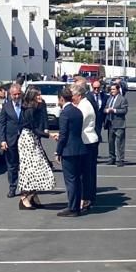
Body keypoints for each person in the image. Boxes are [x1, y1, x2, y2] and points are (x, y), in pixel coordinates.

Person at [16, 87, 55, 210]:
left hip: (32, 139)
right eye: (38, 95)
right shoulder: (29, 110)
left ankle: (33, 196)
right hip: (27, 140)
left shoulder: (36, 107)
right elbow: (34, 129)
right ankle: (24, 198)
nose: (40, 97)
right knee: (32, 170)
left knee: (38, 168)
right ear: (33, 97)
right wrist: (49, 135)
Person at [55, 87, 86, 218]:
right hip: (79, 148)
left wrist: (58, 152)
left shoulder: (65, 113)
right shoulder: (77, 111)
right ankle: (77, 205)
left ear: (62, 99)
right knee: (77, 180)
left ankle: (73, 207)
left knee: (71, 180)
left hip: (69, 150)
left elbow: (63, 135)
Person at [71, 83, 100, 213]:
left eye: (72, 96)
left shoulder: (84, 106)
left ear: (79, 95)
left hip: (87, 141)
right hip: (88, 140)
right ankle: (88, 197)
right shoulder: (83, 104)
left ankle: (87, 198)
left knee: (85, 173)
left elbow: (78, 123)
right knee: (86, 172)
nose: (71, 99)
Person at [0, 84, 24, 199]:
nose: (17, 96)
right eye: (15, 94)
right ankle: (12, 187)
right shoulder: (6, 107)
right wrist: (3, 140)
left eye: (19, 94)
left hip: (24, 140)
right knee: (12, 165)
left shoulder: (26, 105)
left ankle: (25, 188)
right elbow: (2, 124)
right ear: (10, 94)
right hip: (11, 139)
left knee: (24, 165)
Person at [105, 84, 129, 167]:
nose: (112, 91)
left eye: (114, 89)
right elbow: (105, 108)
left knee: (120, 143)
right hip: (110, 123)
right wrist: (106, 110)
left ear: (118, 90)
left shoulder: (122, 99)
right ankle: (112, 157)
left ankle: (120, 159)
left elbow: (124, 110)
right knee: (111, 142)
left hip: (119, 124)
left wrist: (114, 110)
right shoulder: (109, 99)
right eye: (111, 89)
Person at [86, 81, 108, 145]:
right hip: (90, 119)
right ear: (92, 87)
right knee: (91, 136)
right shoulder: (88, 96)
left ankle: (95, 152)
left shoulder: (104, 96)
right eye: (95, 88)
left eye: (98, 88)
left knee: (97, 136)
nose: (96, 89)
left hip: (99, 120)